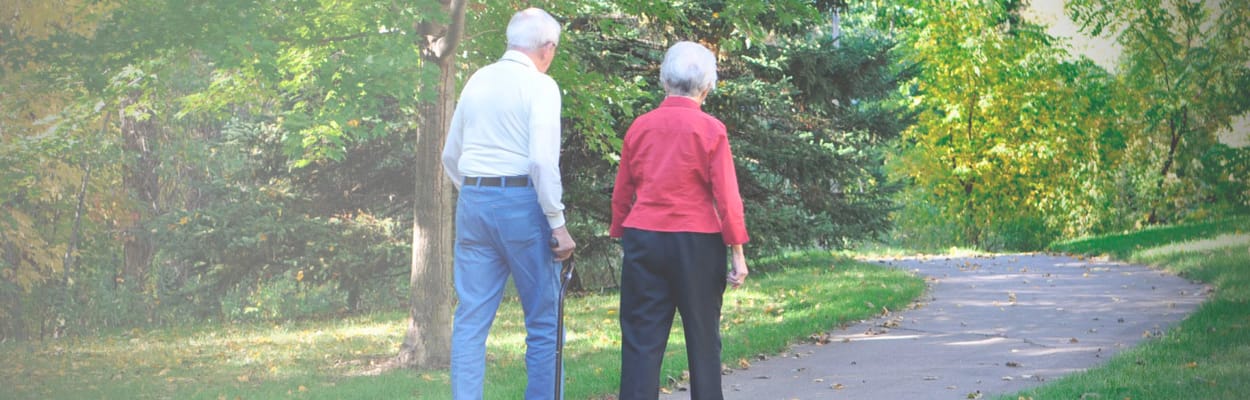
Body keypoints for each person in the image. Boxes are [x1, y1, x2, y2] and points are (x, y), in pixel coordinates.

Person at [440, 7, 576, 400]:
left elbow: (451, 155)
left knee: (470, 321)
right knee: (544, 322)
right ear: (547, 49)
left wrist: (476, 194)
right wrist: (558, 223)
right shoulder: (540, 86)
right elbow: (540, 162)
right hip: (522, 204)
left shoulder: (478, 79)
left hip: (474, 201)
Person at [610, 41, 750, 400]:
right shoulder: (711, 129)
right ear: (706, 87)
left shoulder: (640, 127)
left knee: (641, 344)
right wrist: (737, 253)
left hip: (645, 239)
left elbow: (623, 190)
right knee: (704, 342)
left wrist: (619, 230)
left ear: (664, 81)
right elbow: (728, 198)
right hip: (697, 243)